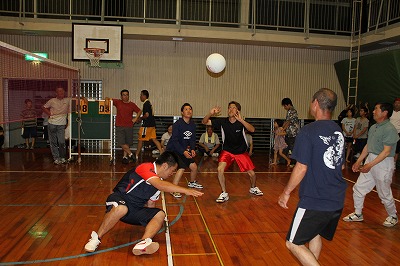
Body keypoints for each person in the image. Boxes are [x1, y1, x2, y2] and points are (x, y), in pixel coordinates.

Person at [84, 151, 203, 255]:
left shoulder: (159, 182)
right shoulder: (146, 167)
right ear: (165, 166)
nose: (172, 174)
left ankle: (143, 243)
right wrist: (186, 190)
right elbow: (160, 185)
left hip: (134, 210)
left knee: (160, 214)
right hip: (118, 199)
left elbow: (151, 204)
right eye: (172, 171)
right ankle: (96, 238)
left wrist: (153, 223)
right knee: (121, 208)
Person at [278, 88, 346, 265]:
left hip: (315, 200)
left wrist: (286, 192)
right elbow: (342, 164)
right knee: (314, 234)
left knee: (293, 243)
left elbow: (301, 167)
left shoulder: (308, 131)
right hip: (336, 199)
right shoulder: (337, 130)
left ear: (315, 103)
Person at [343, 102, 399, 227]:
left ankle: (393, 216)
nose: (373, 111)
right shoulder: (374, 127)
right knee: (358, 188)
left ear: (384, 113)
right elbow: (368, 146)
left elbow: (386, 152)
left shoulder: (390, 129)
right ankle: (358, 214)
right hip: (371, 160)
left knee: (384, 193)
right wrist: (359, 161)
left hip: (383, 164)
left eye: (376, 109)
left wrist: (369, 165)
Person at [202, 101, 263, 203]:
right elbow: (204, 122)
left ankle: (253, 187)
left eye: (233, 108)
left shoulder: (241, 123)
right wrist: (210, 113)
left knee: (252, 174)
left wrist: (241, 120)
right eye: (229, 107)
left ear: (237, 110)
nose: (230, 109)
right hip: (227, 151)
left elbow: (252, 130)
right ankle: (224, 193)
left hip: (241, 152)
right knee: (220, 170)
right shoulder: (222, 122)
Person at [166, 103, 203, 198]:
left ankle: (191, 183)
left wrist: (193, 149)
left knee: (194, 167)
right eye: (186, 109)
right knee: (182, 167)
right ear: (182, 112)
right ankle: (173, 190)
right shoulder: (177, 124)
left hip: (184, 149)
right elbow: (174, 140)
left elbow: (192, 139)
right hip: (174, 149)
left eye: (190, 109)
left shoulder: (192, 125)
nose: (189, 111)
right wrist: (184, 152)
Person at [106, 90, 141, 164]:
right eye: (124, 95)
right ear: (121, 96)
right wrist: (106, 101)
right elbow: (107, 98)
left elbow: (139, 111)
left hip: (129, 126)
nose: (125, 96)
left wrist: (135, 118)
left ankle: (125, 157)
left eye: (127, 95)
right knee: (121, 142)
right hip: (120, 126)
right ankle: (131, 154)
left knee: (127, 143)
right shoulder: (118, 102)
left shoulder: (132, 104)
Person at [42, 87, 70, 164]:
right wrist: (49, 113)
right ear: (56, 93)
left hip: (61, 125)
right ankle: (56, 158)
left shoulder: (67, 100)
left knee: (61, 142)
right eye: (60, 91)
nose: (62, 93)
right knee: (53, 142)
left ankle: (62, 158)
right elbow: (43, 107)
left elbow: (77, 98)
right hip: (52, 124)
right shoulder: (52, 101)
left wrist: (83, 98)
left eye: (63, 91)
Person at [135, 90, 163, 159]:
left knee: (140, 139)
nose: (140, 97)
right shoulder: (149, 103)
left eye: (141, 95)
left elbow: (146, 115)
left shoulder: (146, 104)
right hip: (152, 125)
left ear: (144, 96)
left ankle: (136, 155)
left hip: (146, 126)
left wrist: (140, 118)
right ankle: (162, 153)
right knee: (154, 139)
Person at [281, 98, 300, 166]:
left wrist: (283, 129)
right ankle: (283, 160)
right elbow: (286, 121)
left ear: (288, 104)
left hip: (293, 133)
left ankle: (295, 162)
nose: (284, 107)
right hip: (289, 133)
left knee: (293, 148)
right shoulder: (289, 111)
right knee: (286, 146)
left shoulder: (292, 111)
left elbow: (288, 122)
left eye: (285, 106)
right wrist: (282, 128)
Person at [390, 98, 400, 164]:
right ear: (393, 104)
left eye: (399, 103)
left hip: (398, 133)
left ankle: (394, 164)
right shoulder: (390, 112)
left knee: (397, 150)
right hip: (389, 133)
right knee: (388, 148)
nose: (397, 104)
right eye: (396, 103)